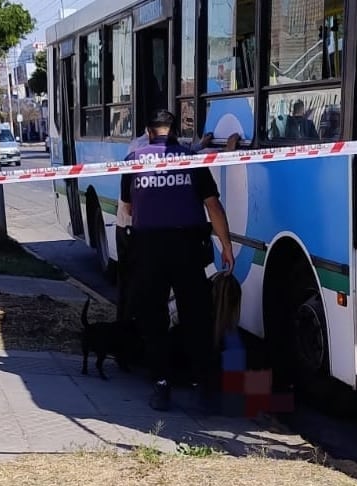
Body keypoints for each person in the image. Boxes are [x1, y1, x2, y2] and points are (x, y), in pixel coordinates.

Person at [121, 109, 234, 411]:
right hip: (187, 247)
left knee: (153, 316)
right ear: (174, 131)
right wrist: (226, 245)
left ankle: (161, 385)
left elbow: (128, 209)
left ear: (148, 131)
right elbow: (214, 206)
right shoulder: (191, 159)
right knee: (197, 315)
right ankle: (204, 388)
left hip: (148, 249)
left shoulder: (133, 161)